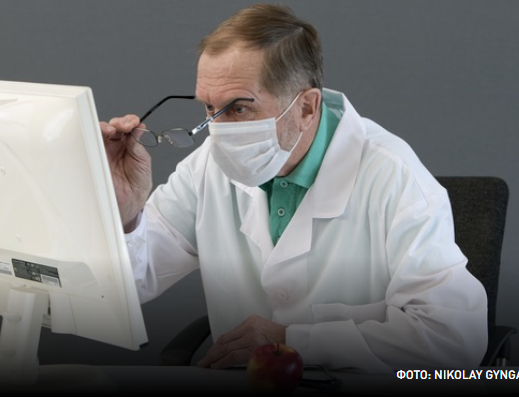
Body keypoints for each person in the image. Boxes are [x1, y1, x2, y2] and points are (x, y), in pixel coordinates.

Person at [100, 3, 487, 373]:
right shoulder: (207, 167)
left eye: (239, 108)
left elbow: (453, 339)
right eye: (208, 108)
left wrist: (296, 341)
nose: (217, 131)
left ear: (306, 108)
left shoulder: (395, 177)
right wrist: (125, 215)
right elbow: (118, 290)